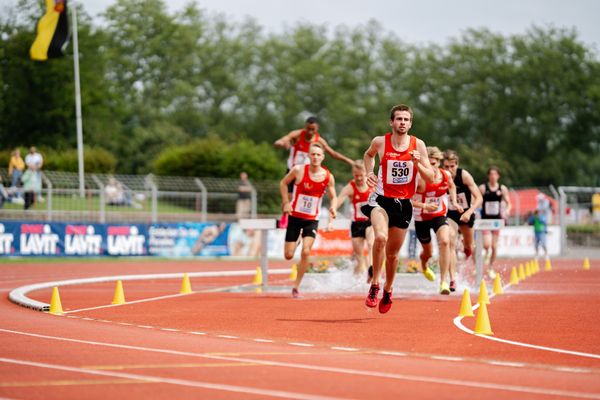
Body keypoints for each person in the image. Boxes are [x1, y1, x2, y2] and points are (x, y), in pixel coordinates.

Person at [361, 104, 434, 313]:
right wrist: (369, 172)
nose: (402, 123)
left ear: (410, 124)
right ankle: (375, 284)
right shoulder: (380, 142)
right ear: (391, 122)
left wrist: (418, 164)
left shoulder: (418, 145)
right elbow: (368, 156)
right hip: (381, 200)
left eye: (406, 120)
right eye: (399, 119)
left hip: (404, 204)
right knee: (380, 238)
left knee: (392, 255)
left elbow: (430, 178)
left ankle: (388, 289)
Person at [279, 142, 337, 298]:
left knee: (306, 252)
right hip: (295, 216)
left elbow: (333, 197)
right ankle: (296, 239)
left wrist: (333, 208)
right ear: (308, 156)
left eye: (319, 154)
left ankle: (296, 286)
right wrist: (285, 202)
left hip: (311, 219)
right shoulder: (298, 170)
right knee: (289, 255)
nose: (316, 157)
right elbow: (283, 183)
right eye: (313, 154)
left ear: (323, 157)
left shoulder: (327, 176)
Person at [274, 116, 353, 228]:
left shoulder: (319, 141)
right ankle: (286, 217)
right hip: (293, 170)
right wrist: (280, 143)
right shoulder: (297, 134)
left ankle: (303, 220)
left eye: (313, 129)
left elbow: (333, 154)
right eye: (308, 129)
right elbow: (284, 139)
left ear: (317, 128)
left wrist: (348, 160)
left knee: (306, 196)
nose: (310, 132)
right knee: (289, 196)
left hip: (307, 172)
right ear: (305, 127)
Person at [412, 147, 459, 294]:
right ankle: (424, 266)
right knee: (428, 253)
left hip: (439, 215)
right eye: (428, 163)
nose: (431, 166)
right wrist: (424, 205)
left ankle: (443, 282)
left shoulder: (445, 175)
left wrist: (454, 201)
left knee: (445, 241)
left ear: (438, 162)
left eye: (434, 163)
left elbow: (451, 187)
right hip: (421, 218)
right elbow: (406, 199)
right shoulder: (419, 179)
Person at [442, 149, 483, 287]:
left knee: (468, 246)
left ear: (457, 165)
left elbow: (479, 198)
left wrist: (469, 212)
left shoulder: (464, 176)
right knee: (450, 241)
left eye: (452, 166)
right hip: (450, 214)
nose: (450, 169)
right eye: (446, 166)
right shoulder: (440, 176)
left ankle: (467, 248)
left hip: (466, 213)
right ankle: (453, 279)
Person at [335, 160, 374, 279]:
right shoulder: (350, 187)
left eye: (361, 175)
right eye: (356, 175)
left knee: (371, 243)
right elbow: (339, 199)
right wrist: (333, 209)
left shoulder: (372, 184)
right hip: (356, 224)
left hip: (370, 222)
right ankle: (356, 280)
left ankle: (371, 270)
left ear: (365, 173)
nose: (358, 178)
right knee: (359, 256)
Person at [479, 166, 511, 274]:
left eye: (495, 174)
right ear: (488, 176)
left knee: (494, 246)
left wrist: (507, 210)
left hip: (497, 220)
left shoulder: (502, 188)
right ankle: (486, 254)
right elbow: (477, 200)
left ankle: (490, 267)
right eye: (491, 174)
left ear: (498, 176)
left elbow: (508, 202)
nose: (493, 176)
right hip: (485, 221)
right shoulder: (483, 188)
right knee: (487, 245)